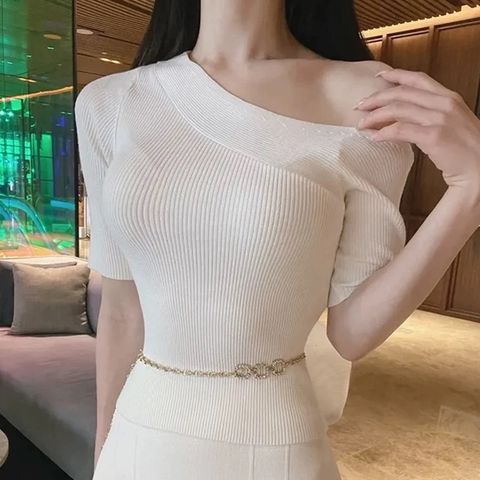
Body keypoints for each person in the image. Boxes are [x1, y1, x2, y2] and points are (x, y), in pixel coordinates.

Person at [75, 1, 480, 478]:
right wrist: (102, 457)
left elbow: (352, 334)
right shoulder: (109, 103)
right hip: (137, 442)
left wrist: (471, 190)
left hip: (273, 446)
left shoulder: (364, 97)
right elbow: (123, 312)